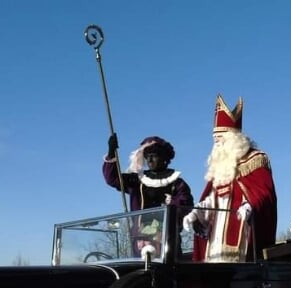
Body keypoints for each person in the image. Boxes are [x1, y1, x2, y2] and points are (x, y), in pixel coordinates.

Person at [184, 94, 277, 262]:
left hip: (242, 235)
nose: (216, 145)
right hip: (216, 240)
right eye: (215, 141)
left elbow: (265, 193)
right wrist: (197, 212)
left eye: (220, 140)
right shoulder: (221, 166)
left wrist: (250, 206)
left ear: (234, 140)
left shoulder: (255, 160)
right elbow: (213, 200)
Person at [102, 134, 194, 211]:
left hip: (167, 231)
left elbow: (187, 205)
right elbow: (112, 179)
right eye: (147, 156)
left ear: (164, 158)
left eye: (154, 156)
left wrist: (172, 202)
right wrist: (111, 153)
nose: (149, 160)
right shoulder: (137, 180)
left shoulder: (177, 183)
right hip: (139, 232)